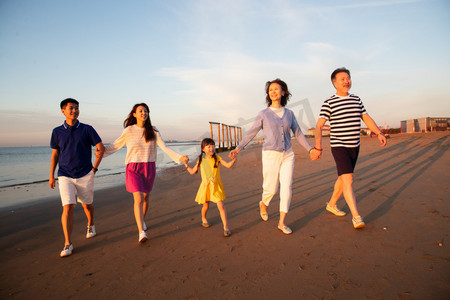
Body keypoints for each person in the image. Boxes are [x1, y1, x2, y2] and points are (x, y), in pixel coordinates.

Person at [230, 79, 320, 235]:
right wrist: (238, 148)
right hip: (270, 154)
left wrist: (310, 149)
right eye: (270, 90)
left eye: (276, 89)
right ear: (268, 94)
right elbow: (251, 133)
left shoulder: (290, 114)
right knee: (271, 189)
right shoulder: (263, 114)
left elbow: (298, 133)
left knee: (287, 187)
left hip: (288, 154)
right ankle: (263, 204)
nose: (273, 92)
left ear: (283, 92)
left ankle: (282, 222)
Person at [101, 103, 188, 243]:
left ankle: (142, 219)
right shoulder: (129, 130)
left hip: (149, 167)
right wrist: (100, 151)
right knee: (139, 199)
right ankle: (141, 231)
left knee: (146, 197)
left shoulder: (153, 131)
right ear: (134, 114)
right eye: (140, 111)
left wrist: (179, 157)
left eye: (146, 111)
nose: (144, 113)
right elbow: (115, 146)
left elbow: (164, 147)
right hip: (133, 168)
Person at [314, 67, 387, 229]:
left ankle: (332, 204)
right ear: (334, 83)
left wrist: (379, 132)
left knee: (343, 177)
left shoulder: (356, 99)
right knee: (348, 179)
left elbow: (366, 118)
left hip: (355, 145)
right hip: (339, 146)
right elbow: (319, 126)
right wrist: (318, 147)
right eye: (342, 79)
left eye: (348, 78)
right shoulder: (329, 102)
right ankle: (356, 216)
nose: (347, 81)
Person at [49, 98, 105, 257]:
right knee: (68, 207)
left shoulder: (87, 129)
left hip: (85, 174)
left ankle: (91, 224)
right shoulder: (57, 132)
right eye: (71, 108)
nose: (74, 111)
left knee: (86, 205)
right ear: (63, 111)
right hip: (65, 174)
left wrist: (95, 168)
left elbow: (101, 148)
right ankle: (68, 243)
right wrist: (51, 176)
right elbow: (55, 154)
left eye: (76, 108)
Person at [184, 138, 237, 237]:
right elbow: (192, 172)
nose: (211, 148)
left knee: (221, 205)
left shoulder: (217, 158)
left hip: (215, 186)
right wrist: (186, 164)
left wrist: (233, 160)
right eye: (209, 147)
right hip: (205, 187)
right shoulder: (200, 160)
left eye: (213, 146)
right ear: (203, 149)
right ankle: (203, 219)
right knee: (206, 206)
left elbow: (228, 165)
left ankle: (226, 227)